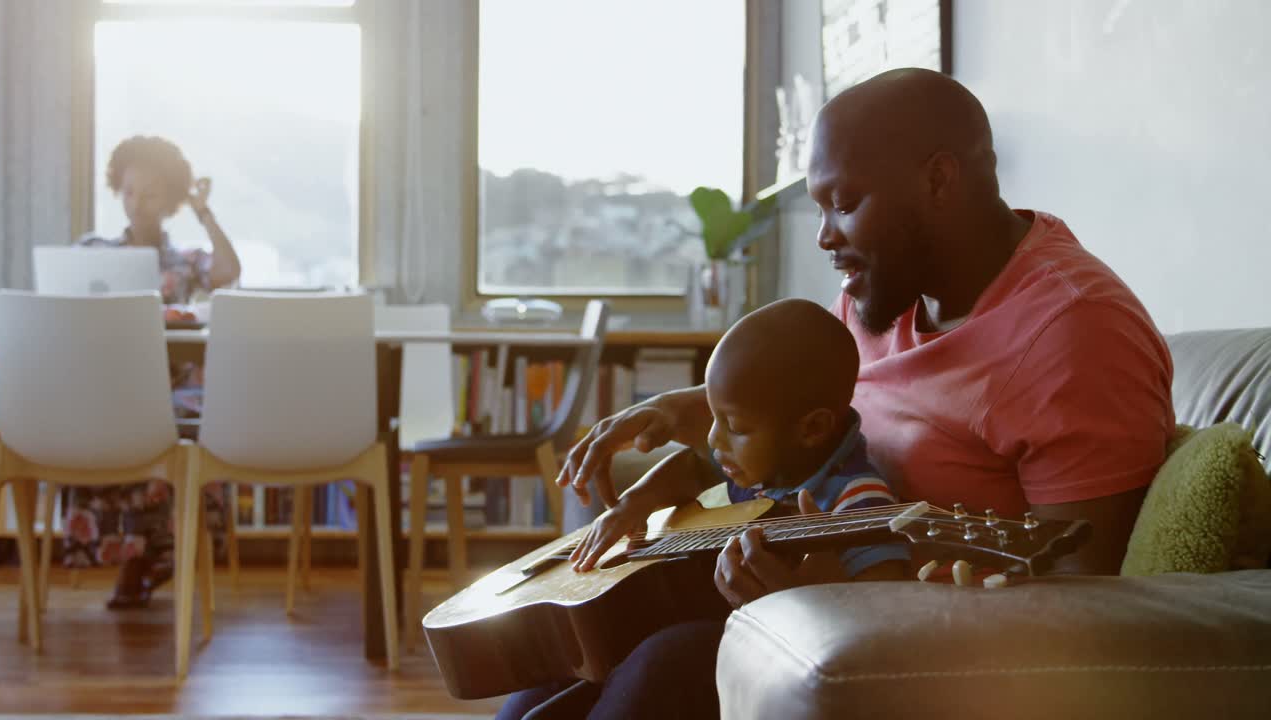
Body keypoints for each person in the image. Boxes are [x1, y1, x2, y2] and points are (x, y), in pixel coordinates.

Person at [539, 68, 1174, 718]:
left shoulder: (1073, 331)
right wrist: (672, 408)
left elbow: (1083, 604)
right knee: (560, 663)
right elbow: (797, 404)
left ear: (938, 180)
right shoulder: (885, 293)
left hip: (916, 655)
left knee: (663, 668)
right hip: (810, 599)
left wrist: (837, 602)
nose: (824, 236)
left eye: (843, 204)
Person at [499, 298, 909, 719]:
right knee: (552, 681)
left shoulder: (857, 499)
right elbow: (694, 468)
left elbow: (886, 597)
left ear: (813, 428)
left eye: (735, 426)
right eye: (713, 417)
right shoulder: (772, 461)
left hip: (757, 647)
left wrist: (815, 598)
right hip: (690, 619)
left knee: (653, 669)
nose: (713, 439)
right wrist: (633, 504)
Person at [62, 135, 242, 609]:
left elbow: (229, 270)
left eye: (149, 194)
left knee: (175, 422)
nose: (136, 204)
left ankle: (149, 560)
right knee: (112, 418)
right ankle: (141, 560)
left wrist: (204, 212)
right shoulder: (91, 253)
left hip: (171, 390)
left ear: (171, 201)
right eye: (128, 192)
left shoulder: (185, 261)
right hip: (109, 388)